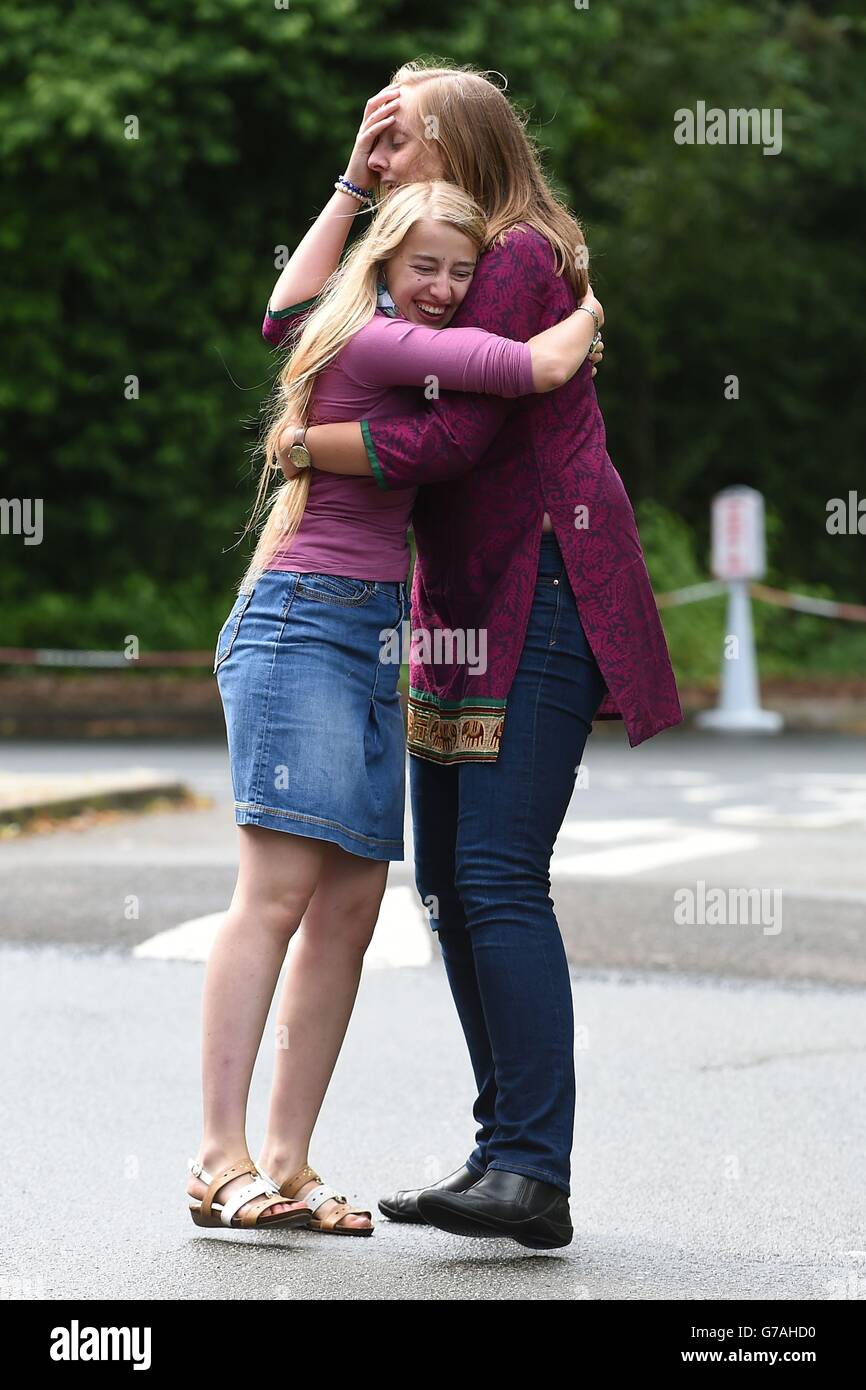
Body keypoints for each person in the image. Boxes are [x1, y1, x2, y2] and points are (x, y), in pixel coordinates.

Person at [276, 61, 682, 1250]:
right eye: (378, 145)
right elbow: (291, 323)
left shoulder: (510, 259)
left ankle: (530, 1168)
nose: (388, 161)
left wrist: (307, 446)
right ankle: (505, 1150)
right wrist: (352, 182)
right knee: (450, 884)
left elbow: (452, 438)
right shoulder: (427, 258)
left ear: (458, 145)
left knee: (496, 877)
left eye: (401, 142)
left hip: (539, 582)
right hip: (462, 596)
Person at [187, 173, 604, 1235]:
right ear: (379, 262)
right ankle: (217, 1158)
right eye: (423, 265)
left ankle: (284, 1160)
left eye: (460, 273)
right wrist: (584, 310)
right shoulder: (372, 337)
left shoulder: (376, 323)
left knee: (350, 912)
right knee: (275, 893)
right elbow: (524, 366)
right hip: (300, 619)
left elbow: (300, 319)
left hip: (379, 629)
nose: (441, 288)